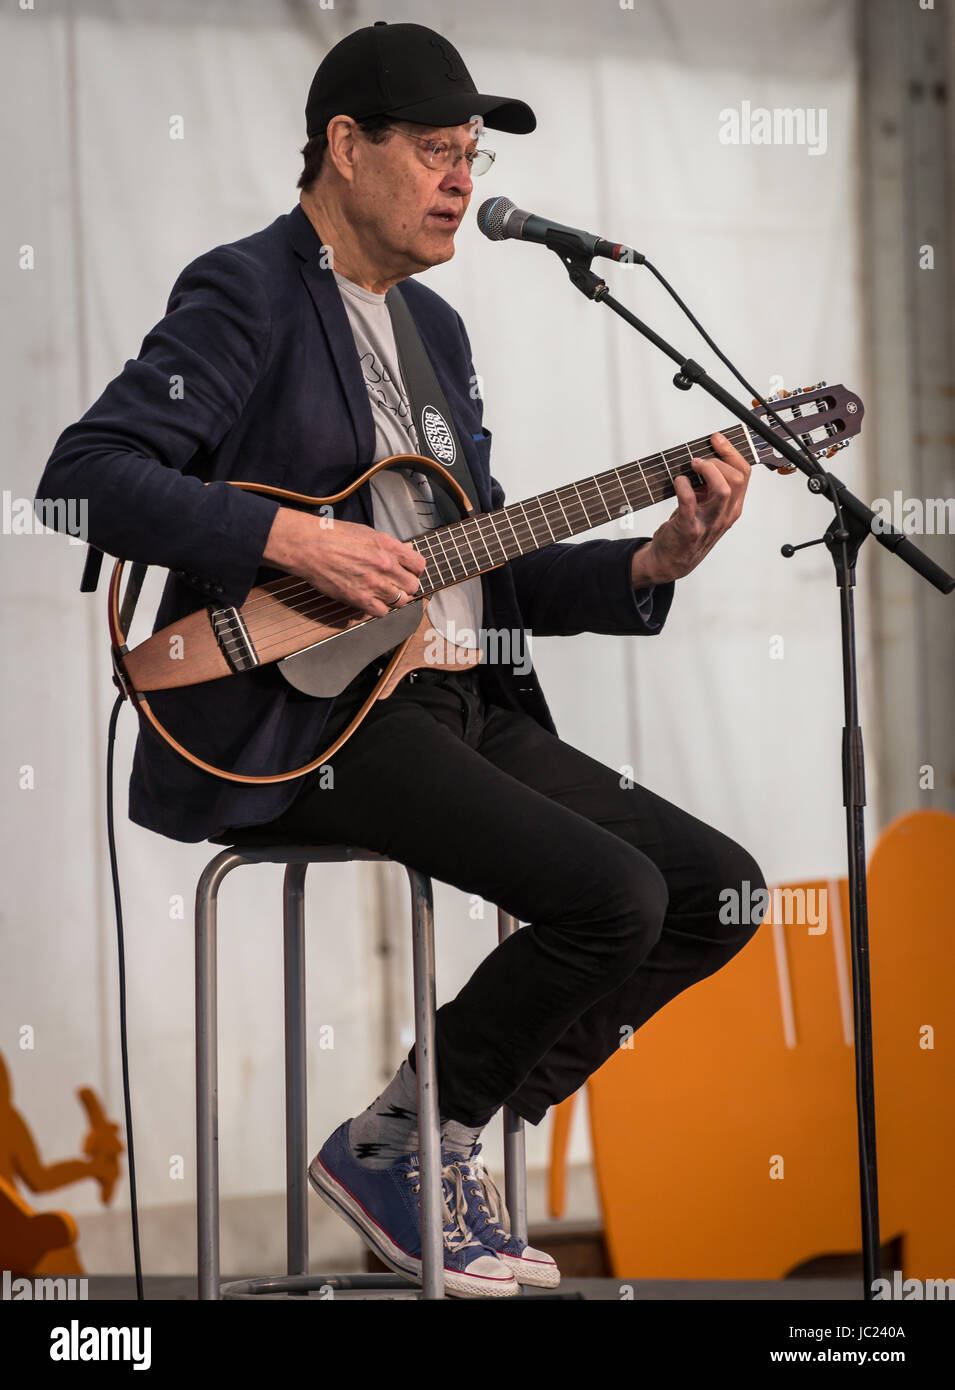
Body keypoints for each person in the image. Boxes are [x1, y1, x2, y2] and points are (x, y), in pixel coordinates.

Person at [37, 21, 768, 1298]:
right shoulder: (248, 290)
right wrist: (289, 537)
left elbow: (474, 562)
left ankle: (430, 1132)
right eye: (436, 149)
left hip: (450, 693)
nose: (461, 180)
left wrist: (650, 566)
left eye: (471, 155)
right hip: (301, 717)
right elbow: (83, 479)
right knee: (614, 894)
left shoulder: (438, 332)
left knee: (717, 886)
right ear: (344, 146)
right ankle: (409, 1146)